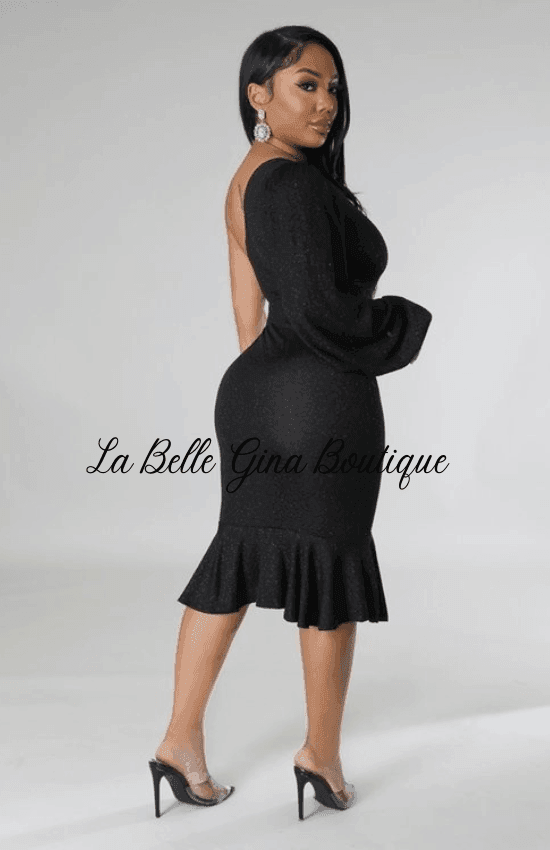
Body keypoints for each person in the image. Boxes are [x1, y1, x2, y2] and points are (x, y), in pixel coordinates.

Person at [148, 25, 432, 820]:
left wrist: (273, 396)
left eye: (333, 87)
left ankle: (178, 742)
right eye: (307, 84)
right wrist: (399, 323)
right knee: (332, 564)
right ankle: (321, 759)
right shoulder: (294, 185)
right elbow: (318, 312)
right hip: (320, 397)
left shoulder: (246, 179)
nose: (326, 103)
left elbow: (251, 320)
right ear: (258, 94)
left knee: (236, 557)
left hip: (255, 393)